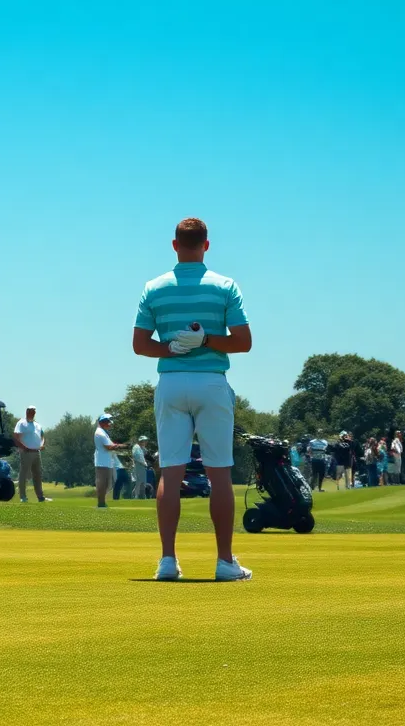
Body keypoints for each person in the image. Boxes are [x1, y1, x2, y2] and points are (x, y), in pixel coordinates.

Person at [132, 217, 253, 582]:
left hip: (171, 383)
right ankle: (225, 562)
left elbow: (140, 345)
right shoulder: (225, 286)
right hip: (211, 382)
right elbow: (243, 342)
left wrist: (171, 347)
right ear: (206, 245)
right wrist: (208, 340)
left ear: (174, 245)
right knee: (219, 473)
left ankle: (168, 561)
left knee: (171, 472)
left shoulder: (154, 288)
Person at [13, 405, 50, 503]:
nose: (32, 413)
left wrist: (42, 444)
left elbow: (42, 436)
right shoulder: (21, 423)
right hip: (26, 452)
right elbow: (16, 437)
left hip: (36, 452)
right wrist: (23, 447)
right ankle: (23, 496)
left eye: (34, 412)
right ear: (27, 412)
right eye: (30, 411)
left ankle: (40, 497)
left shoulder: (37, 425)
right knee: (24, 474)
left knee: (37, 474)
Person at [93, 414, 125, 508]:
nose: (110, 424)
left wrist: (119, 446)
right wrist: (122, 446)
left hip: (106, 461)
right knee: (103, 483)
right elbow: (109, 447)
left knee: (107, 484)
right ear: (103, 422)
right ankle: (101, 503)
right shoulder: (100, 433)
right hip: (102, 461)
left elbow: (111, 444)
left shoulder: (104, 433)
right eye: (108, 422)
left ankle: (102, 503)